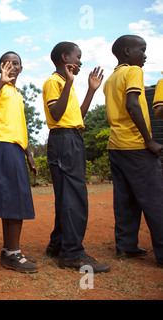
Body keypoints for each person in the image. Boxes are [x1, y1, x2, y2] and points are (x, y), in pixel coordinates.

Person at [42, 41, 111, 273]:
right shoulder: (55, 82)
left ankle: (58, 245)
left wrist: (91, 90)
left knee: (68, 195)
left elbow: (77, 116)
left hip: (72, 137)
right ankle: (72, 253)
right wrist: (69, 83)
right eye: (78, 56)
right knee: (74, 197)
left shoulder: (65, 84)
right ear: (65, 57)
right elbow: (56, 113)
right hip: (63, 140)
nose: (81, 61)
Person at [104, 35, 163, 268]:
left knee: (125, 199)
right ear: (128, 51)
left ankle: (126, 246)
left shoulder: (111, 79)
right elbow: (132, 104)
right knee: (155, 199)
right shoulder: (133, 71)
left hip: (116, 146)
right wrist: (149, 140)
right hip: (136, 145)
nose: (145, 55)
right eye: (143, 49)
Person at [0, 52, 38, 273]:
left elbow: (20, 127)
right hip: (1, 145)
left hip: (15, 148)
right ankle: (12, 253)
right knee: (14, 199)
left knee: (12, 199)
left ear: (21, 69)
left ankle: (9, 249)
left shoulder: (17, 94)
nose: (11, 66)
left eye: (16, 63)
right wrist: (0, 84)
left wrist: (28, 154)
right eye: (6, 63)